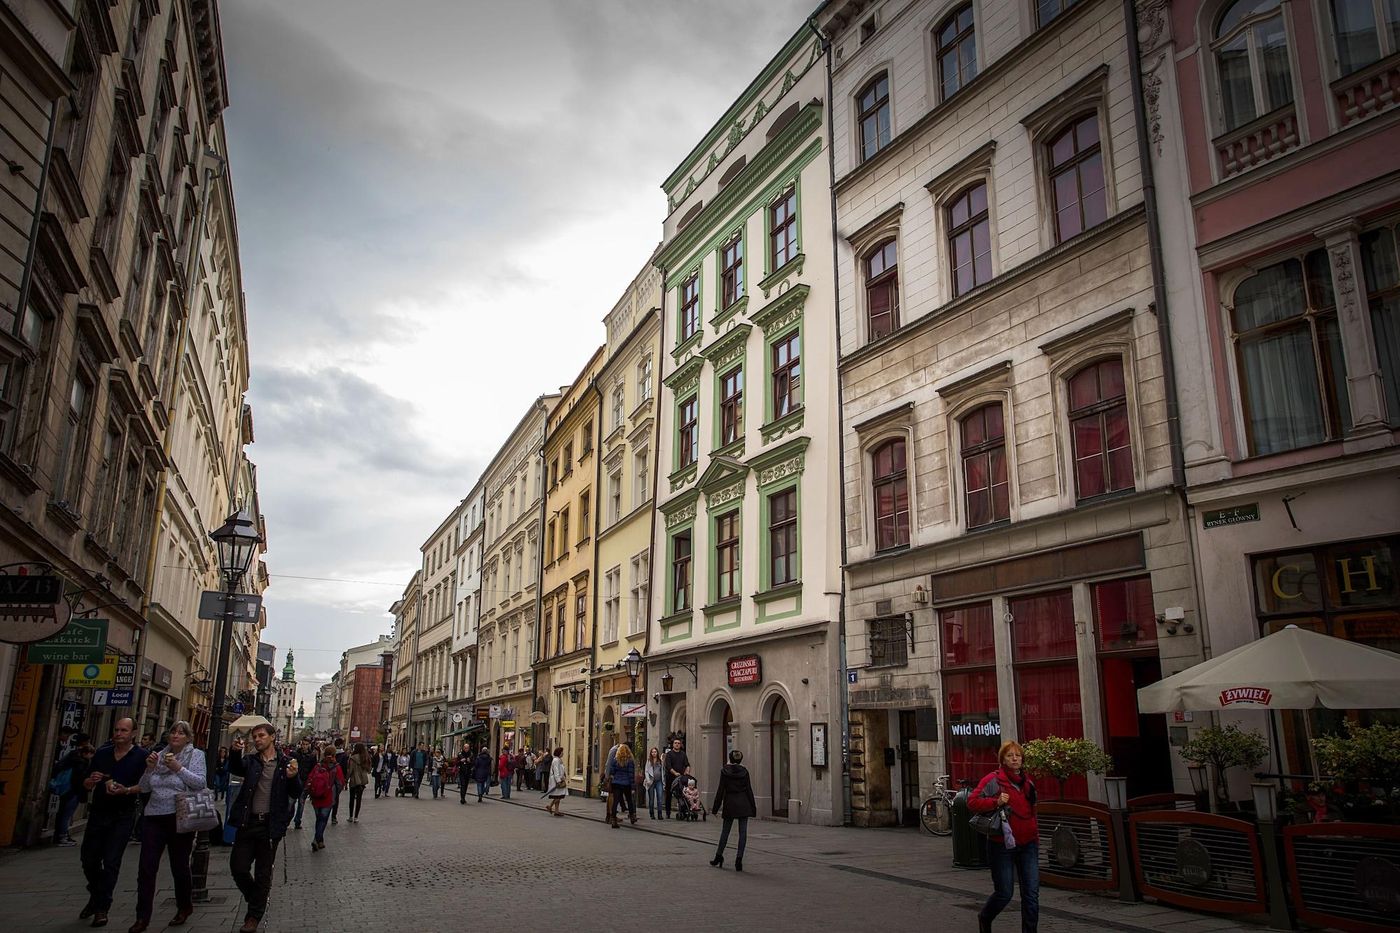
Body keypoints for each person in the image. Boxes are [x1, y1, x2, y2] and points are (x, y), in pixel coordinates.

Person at [130, 721, 205, 932]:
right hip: (154, 816)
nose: (176, 735)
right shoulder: (158, 756)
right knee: (146, 868)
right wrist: (149, 769)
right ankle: (142, 917)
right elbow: (144, 787)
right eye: (173, 731)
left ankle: (184, 906)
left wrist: (178, 768)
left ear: (188, 738)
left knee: (179, 866)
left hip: (180, 816)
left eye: (181, 733)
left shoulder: (196, 756)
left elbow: (200, 783)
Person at [227, 722, 302, 933]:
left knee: (263, 873)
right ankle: (256, 900)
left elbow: (296, 792)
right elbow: (235, 768)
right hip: (247, 822)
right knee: (238, 868)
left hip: (270, 825)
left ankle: (253, 917)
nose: (257, 740)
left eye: (261, 736)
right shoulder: (250, 761)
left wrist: (293, 776)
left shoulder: (286, 763)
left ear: (272, 737)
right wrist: (234, 752)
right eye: (255, 737)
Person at [79, 717, 151, 927]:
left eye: (124, 730)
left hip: (123, 815)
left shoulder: (141, 757)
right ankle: (96, 893)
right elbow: (85, 783)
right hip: (98, 813)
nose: (119, 733)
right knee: (88, 860)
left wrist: (126, 790)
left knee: (111, 862)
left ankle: (102, 908)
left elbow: (145, 786)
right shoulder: (102, 753)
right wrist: (90, 781)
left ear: (134, 733)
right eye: (117, 729)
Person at [968, 740, 1040, 933]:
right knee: (1005, 893)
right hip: (1002, 846)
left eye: (1018, 755)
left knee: (1031, 894)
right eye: (1010, 756)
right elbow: (972, 802)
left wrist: (1036, 838)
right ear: (1003, 760)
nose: (1015, 759)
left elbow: (1032, 813)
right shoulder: (993, 780)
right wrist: (995, 801)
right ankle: (985, 917)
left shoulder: (1028, 783)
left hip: (1028, 845)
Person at [710, 749, 756, 871]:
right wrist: (753, 807)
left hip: (730, 802)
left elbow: (721, 790)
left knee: (725, 831)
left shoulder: (725, 771)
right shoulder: (744, 772)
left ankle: (718, 856)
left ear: (730, 759)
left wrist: (715, 808)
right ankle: (739, 860)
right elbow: (749, 790)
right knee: (743, 833)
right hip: (744, 802)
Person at [51, 734, 95, 846]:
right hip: (72, 790)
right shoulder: (80, 762)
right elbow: (78, 779)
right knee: (66, 814)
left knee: (63, 813)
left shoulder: (72, 757)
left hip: (66, 789)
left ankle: (61, 835)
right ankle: (62, 837)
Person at [307, 748, 342, 850]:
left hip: (316, 797)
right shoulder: (336, 767)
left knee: (319, 819)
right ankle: (316, 839)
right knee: (323, 820)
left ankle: (320, 841)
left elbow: (310, 778)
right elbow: (340, 784)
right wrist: (335, 794)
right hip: (328, 797)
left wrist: (310, 792)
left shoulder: (318, 766)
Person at [608, 745, 637, 827]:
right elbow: (631, 774)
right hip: (626, 783)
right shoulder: (630, 761)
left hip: (616, 783)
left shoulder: (615, 760)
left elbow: (612, 771)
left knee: (616, 801)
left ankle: (613, 819)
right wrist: (633, 786)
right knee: (629, 801)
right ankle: (632, 816)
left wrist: (614, 778)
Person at [291, 737, 317, 829]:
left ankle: (298, 821)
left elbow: (314, 770)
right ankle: (287, 818)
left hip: (305, 782)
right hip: (295, 781)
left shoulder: (312, 756)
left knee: (301, 803)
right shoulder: (295, 754)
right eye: (303, 744)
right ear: (301, 744)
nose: (305, 746)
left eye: (306, 744)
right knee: (291, 802)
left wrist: (311, 782)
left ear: (309, 745)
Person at [662, 738, 689, 819]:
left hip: (681, 778)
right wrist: (675, 773)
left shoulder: (683, 754)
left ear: (680, 745)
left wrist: (687, 771)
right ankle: (668, 812)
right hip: (670, 777)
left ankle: (683, 811)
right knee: (669, 795)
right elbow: (669, 766)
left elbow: (687, 764)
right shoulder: (669, 754)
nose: (677, 744)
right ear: (673, 745)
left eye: (678, 743)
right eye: (675, 743)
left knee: (682, 794)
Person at [346, 743, 371, 822]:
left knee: (352, 798)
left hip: (354, 779)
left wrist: (346, 779)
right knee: (359, 799)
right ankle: (356, 817)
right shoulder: (366, 758)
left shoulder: (352, 758)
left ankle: (350, 816)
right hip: (362, 780)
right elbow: (369, 770)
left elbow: (350, 770)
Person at [642, 747, 665, 821]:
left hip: (659, 781)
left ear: (657, 753)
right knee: (651, 799)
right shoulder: (649, 761)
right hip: (651, 781)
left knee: (660, 798)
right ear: (651, 753)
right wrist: (648, 780)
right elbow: (646, 771)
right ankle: (651, 813)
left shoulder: (660, 761)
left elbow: (662, 771)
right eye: (652, 752)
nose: (654, 753)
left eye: (655, 752)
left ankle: (660, 814)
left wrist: (663, 781)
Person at [330, 738, 350, 822]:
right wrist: (345, 779)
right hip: (339, 778)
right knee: (336, 797)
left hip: (329, 777)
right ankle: (334, 816)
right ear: (341, 745)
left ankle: (325, 811)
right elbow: (345, 768)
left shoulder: (330, 753)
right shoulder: (344, 755)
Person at [544, 747, 567, 816]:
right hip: (556, 781)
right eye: (562, 752)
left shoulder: (559, 760)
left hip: (559, 779)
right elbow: (556, 771)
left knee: (558, 796)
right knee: (558, 796)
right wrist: (558, 781)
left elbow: (561, 770)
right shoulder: (556, 760)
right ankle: (550, 806)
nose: (563, 753)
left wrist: (564, 775)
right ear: (559, 753)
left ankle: (556, 811)